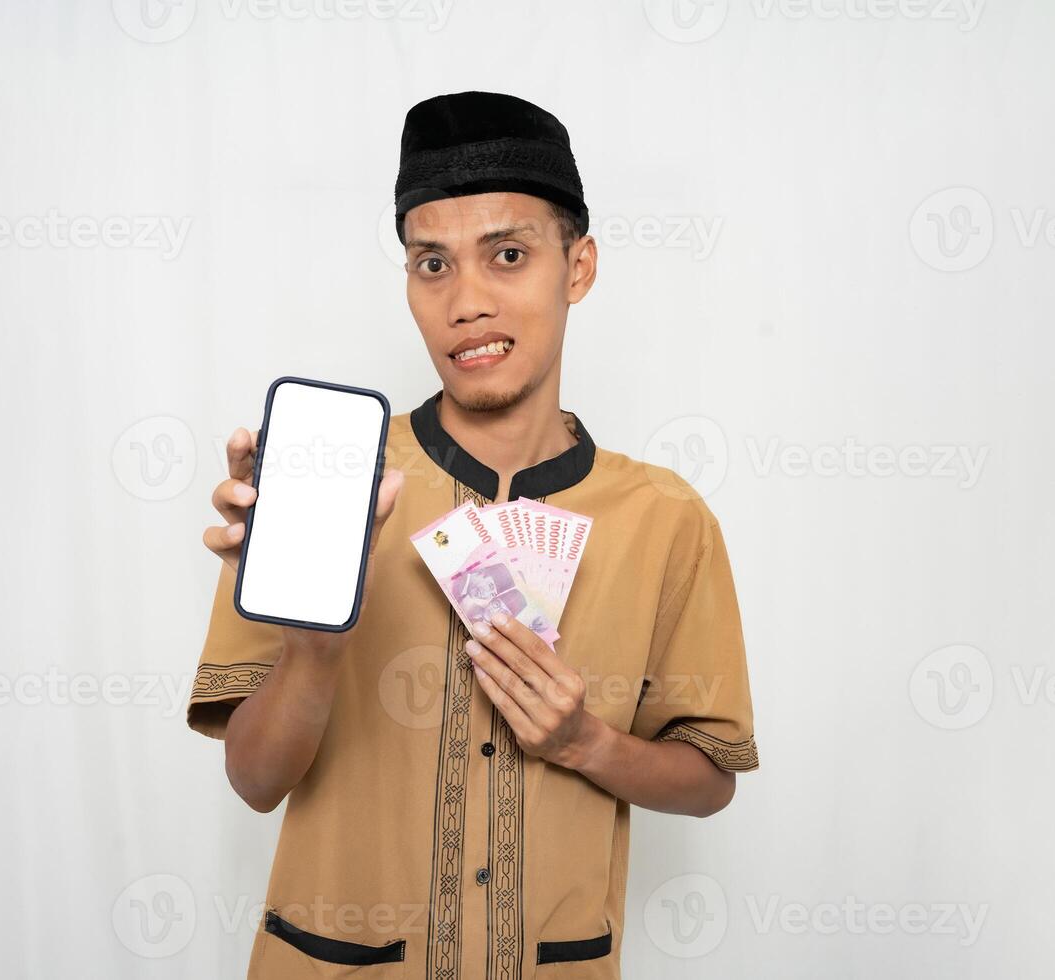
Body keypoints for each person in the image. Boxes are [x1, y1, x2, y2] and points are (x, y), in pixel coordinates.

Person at [190, 90, 759, 979]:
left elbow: (710, 779)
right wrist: (312, 654)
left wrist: (587, 743)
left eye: (508, 255)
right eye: (432, 265)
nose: (467, 302)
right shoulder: (329, 487)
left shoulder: (666, 520)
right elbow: (255, 782)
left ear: (578, 268)